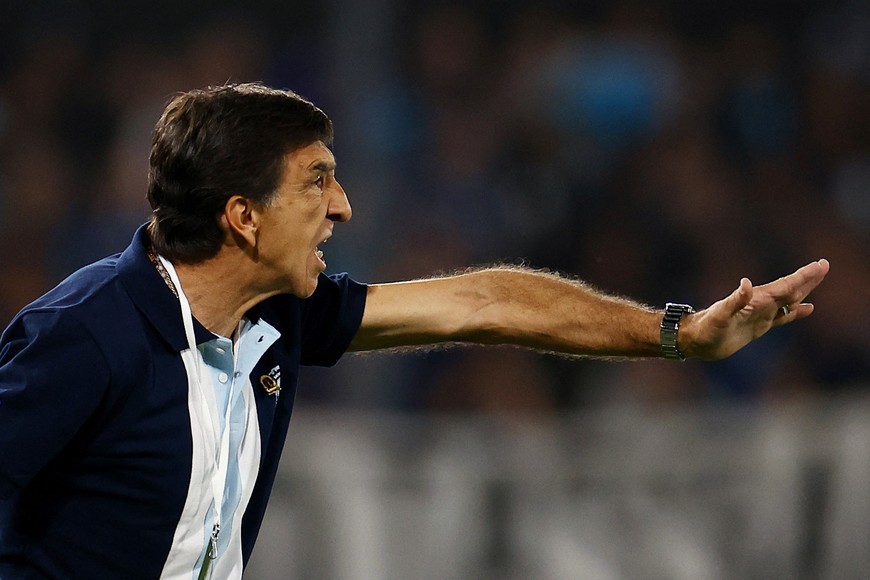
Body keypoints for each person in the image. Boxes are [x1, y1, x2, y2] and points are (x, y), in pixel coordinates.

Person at [0, 82, 829, 579]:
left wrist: (677, 333)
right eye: (317, 182)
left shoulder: (279, 312)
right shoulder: (86, 335)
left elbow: (486, 302)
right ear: (243, 216)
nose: (343, 207)